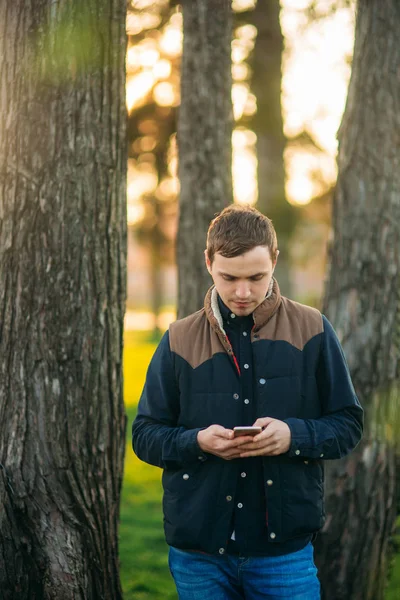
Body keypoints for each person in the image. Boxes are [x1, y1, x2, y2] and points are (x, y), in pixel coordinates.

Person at [132, 205, 363, 600]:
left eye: (256, 277)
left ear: (274, 260)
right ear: (208, 262)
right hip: (198, 555)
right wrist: (198, 443)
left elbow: (348, 424)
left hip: (283, 555)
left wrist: (295, 435)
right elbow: (145, 435)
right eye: (229, 277)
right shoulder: (177, 339)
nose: (243, 292)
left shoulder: (314, 329)